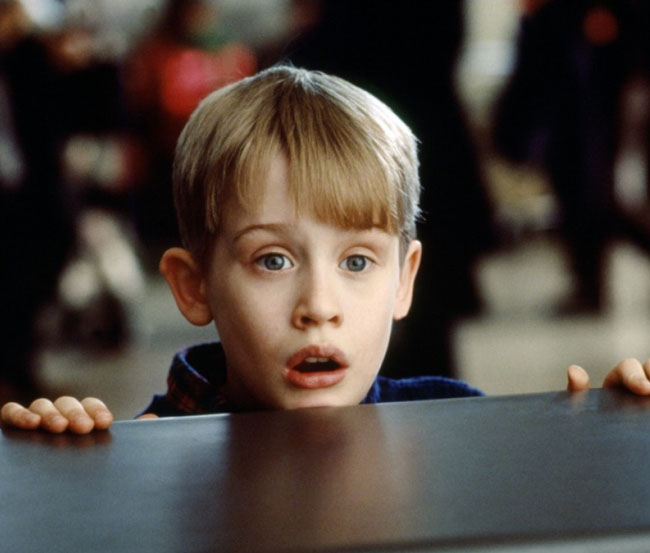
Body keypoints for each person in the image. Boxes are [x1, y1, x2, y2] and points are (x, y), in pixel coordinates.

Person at [2, 66, 650, 434]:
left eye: (357, 261)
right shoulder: (146, 449)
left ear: (404, 280)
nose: (319, 306)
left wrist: (610, 440)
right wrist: (54, 474)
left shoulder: (455, 425)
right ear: (193, 286)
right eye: (273, 260)